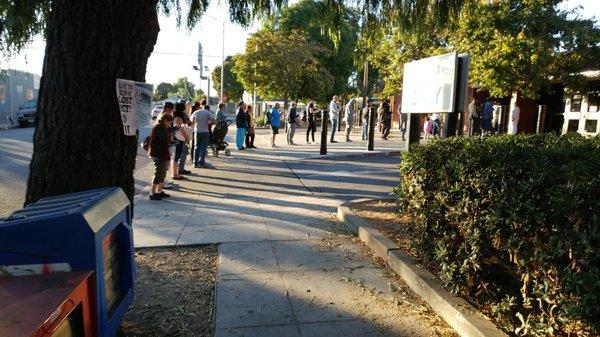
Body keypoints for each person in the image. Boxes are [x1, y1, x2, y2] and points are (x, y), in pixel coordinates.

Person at [149, 113, 174, 200]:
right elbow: (164, 139)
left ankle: (159, 191)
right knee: (159, 172)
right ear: (165, 120)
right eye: (169, 122)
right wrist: (170, 137)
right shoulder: (159, 127)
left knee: (162, 173)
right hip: (159, 153)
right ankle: (152, 193)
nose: (169, 124)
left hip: (161, 153)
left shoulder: (160, 126)